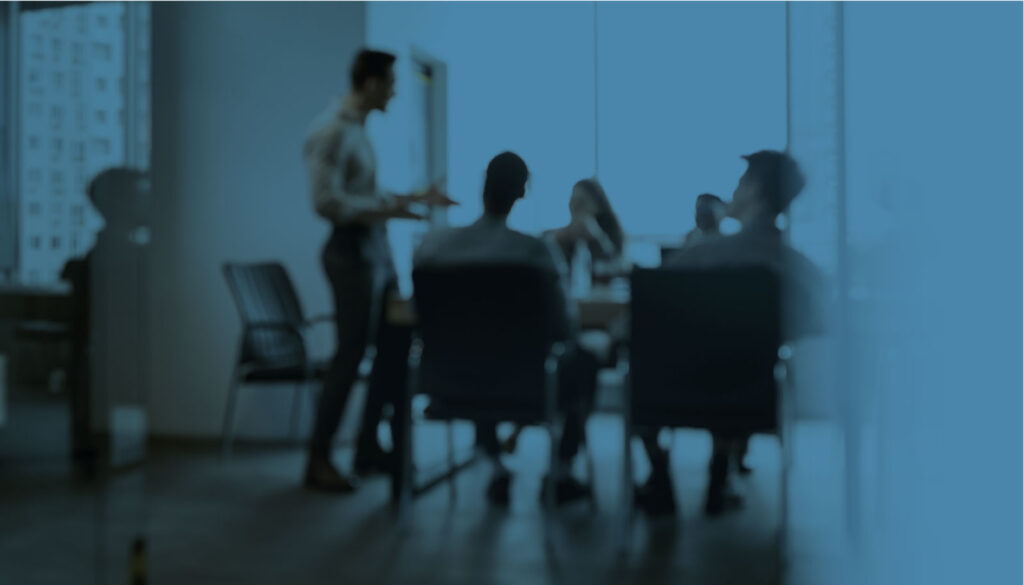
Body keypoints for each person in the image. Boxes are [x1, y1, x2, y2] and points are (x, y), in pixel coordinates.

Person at [638, 150, 824, 517]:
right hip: (753, 396)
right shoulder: (801, 271)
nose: (733, 192)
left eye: (739, 183)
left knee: (641, 360)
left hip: (673, 391)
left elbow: (644, 311)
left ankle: (660, 474)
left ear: (754, 189)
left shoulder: (700, 255)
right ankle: (721, 467)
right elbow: (814, 325)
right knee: (738, 362)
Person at [303, 49, 456, 492]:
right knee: (350, 355)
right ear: (370, 83)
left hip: (375, 251)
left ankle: (369, 446)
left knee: (393, 346)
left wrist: (411, 201)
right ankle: (318, 457)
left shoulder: (357, 131)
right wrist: (392, 209)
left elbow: (364, 192)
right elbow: (326, 203)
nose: (394, 92)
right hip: (351, 254)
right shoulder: (330, 132)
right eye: (390, 83)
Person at [414, 152, 598, 506]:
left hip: (448, 382)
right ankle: (561, 471)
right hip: (528, 384)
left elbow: (421, 320)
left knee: (479, 354)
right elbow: (564, 327)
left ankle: (496, 465)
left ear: (482, 189)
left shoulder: (433, 248)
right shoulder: (535, 253)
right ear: (522, 192)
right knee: (583, 361)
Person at [544, 178, 626, 272]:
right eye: (572, 200)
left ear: (597, 205)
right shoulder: (558, 235)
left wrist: (596, 238)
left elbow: (618, 266)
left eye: (581, 202)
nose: (575, 206)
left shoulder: (613, 235)